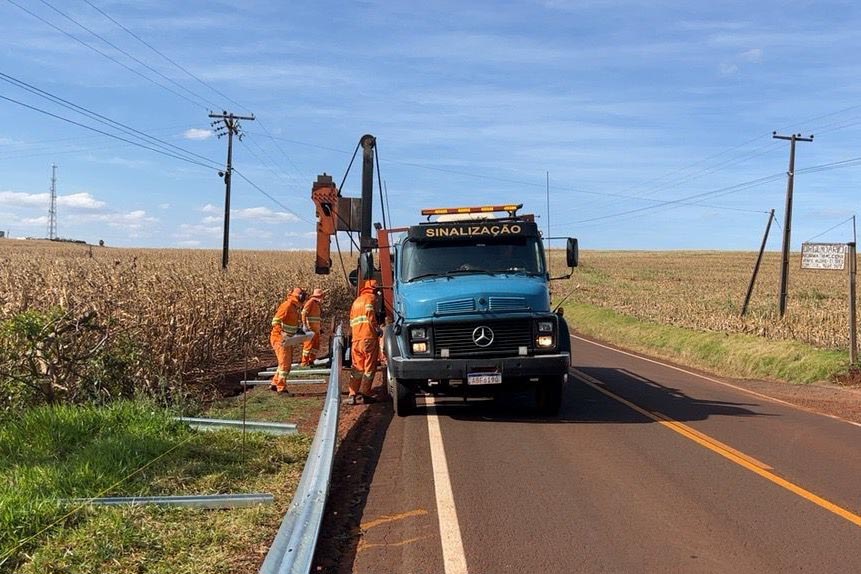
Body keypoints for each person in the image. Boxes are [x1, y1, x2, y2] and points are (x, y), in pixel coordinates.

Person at [348, 279, 380, 405]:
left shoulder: (356, 301)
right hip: (369, 337)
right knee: (369, 367)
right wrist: (377, 328)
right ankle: (366, 393)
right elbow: (370, 313)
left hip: (356, 339)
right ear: (374, 289)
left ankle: (352, 394)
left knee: (357, 368)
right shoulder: (370, 298)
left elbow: (351, 321)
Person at [270, 287, 306, 393]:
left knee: (285, 363)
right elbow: (275, 322)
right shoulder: (287, 306)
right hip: (280, 339)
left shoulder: (293, 308)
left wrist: (297, 330)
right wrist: (282, 333)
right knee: (284, 364)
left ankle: (275, 383)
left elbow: (290, 324)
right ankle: (281, 388)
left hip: (287, 340)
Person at [300, 288, 325, 366]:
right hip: (310, 329)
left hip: (316, 330)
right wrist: (304, 325)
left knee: (315, 346)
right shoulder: (310, 302)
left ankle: (311, 360)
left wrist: (319, 328)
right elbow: (303, 313)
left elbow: (316, 318)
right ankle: (304, 362)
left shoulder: (317, 305)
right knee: (308, 345)